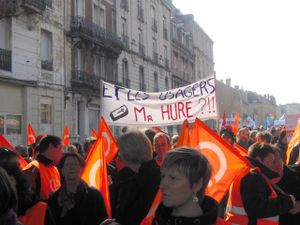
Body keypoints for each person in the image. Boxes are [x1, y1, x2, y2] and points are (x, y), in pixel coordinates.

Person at [226, 143, 297, 225]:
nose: (272, 165)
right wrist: (286, 202)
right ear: (259, 159)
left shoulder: (248, 173)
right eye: (270, 161)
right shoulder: (252, 177)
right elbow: (257, 208)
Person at [153, 147, 218, 225]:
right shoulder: (150, 222)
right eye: (163, 176)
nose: (162, 185)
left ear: (196, 185)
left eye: (173, 178)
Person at [46, 152, 108, 225]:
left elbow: (103, 220)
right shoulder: (54, 198)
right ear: (62, 171)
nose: (71, 167)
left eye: (75, 164)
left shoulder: (94, 195)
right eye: (67, 165)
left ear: (81, 169)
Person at [114, 131, 161, 225]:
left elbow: (127, 217)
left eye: (119, 152)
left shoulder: (133, 182)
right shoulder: (159, 174)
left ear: (128, 153)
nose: (118, 156)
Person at [23, 135, 63, 200]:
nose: (63, 152)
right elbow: (27, 200)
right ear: (51, 148)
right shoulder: (33, 168)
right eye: (61, 148)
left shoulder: (55, 169)